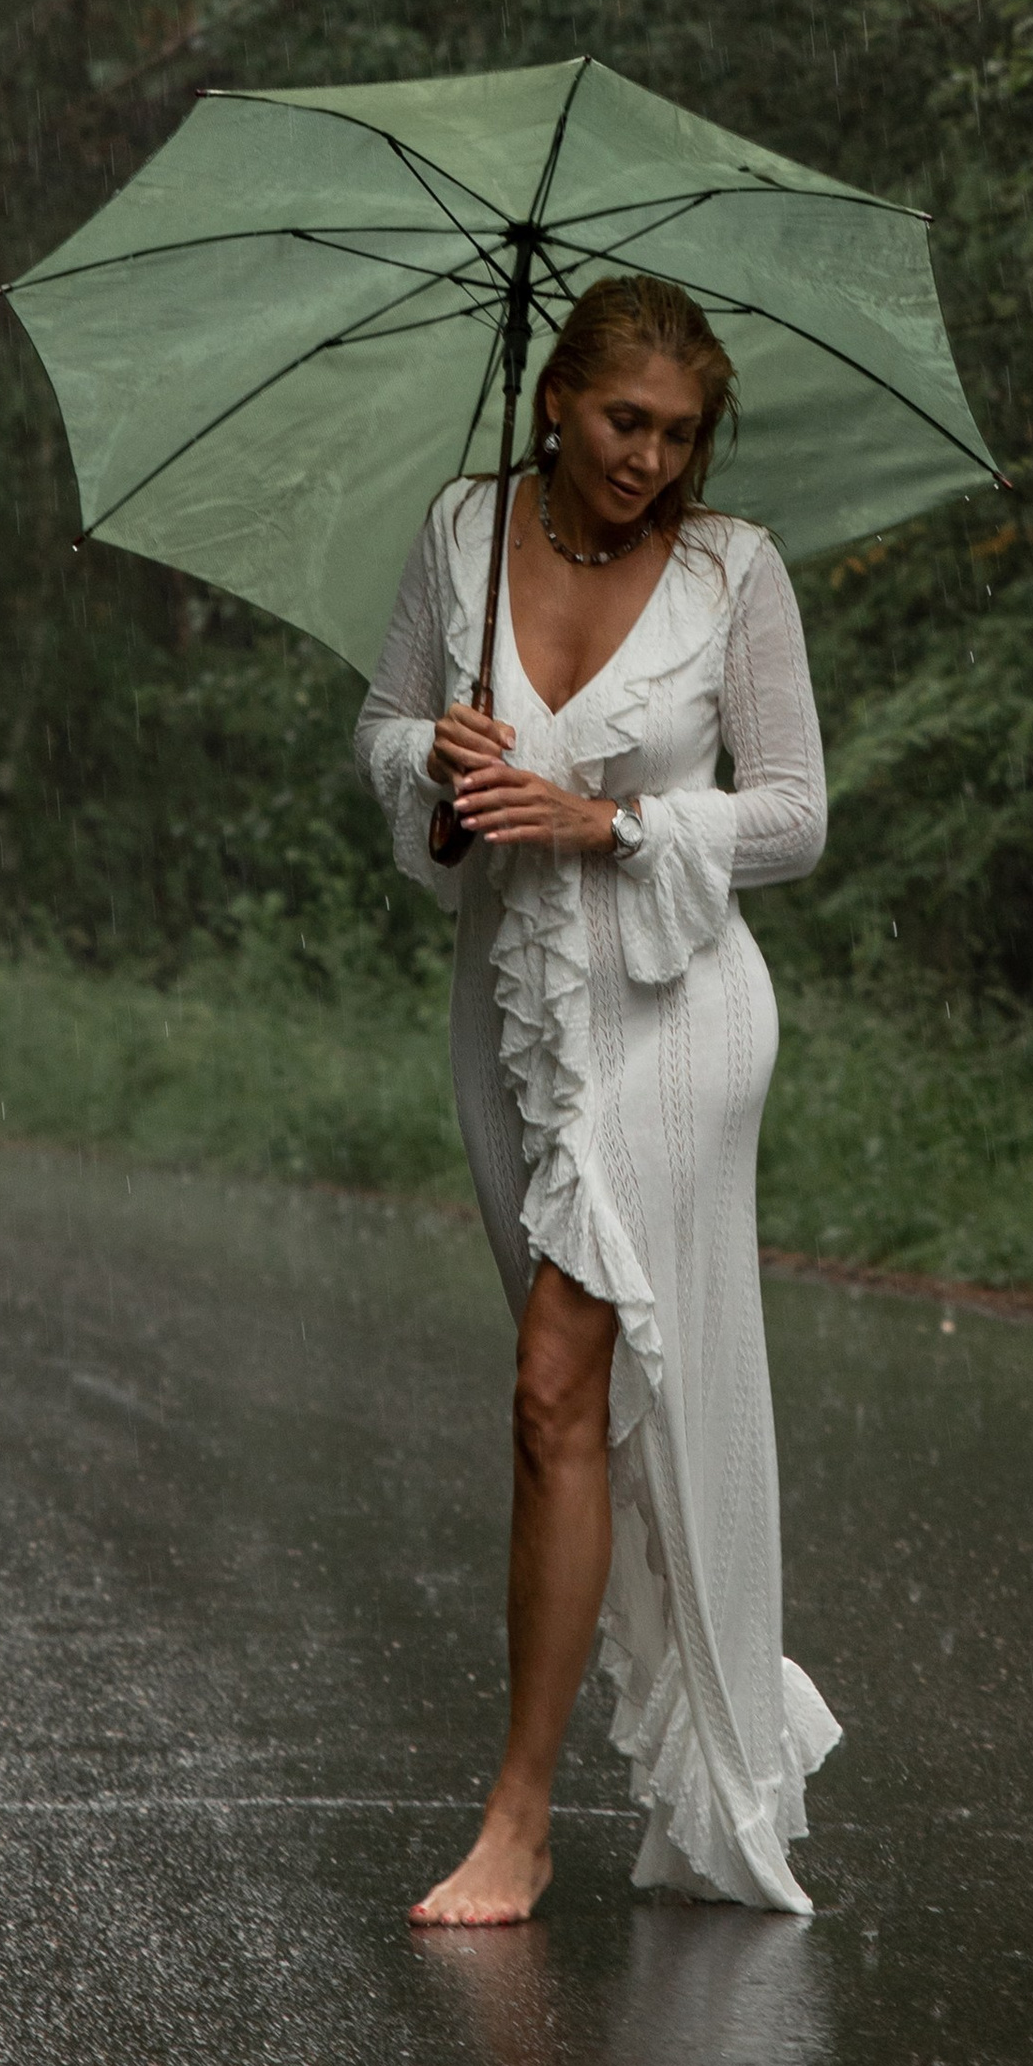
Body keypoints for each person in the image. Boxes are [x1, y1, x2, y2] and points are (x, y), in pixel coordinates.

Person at [355, 273, 839, 1924]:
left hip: (681, 1013)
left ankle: (521, 1818)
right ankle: (641, 1758)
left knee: (556, 1380)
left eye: (681, 435)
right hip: (515, 1022)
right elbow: (379, 729)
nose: (650, 460)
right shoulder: (459, 532)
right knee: (572, 1414)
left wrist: (611, 823)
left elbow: (796, 816)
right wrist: (438, 769)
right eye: (627, 421)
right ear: (555, 396)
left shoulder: (733, 572)